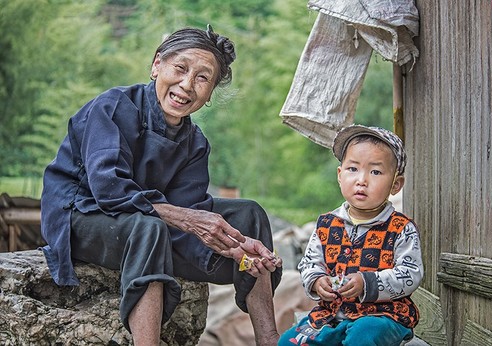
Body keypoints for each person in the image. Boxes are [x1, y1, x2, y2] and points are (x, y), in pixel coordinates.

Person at [40, 25, 282, 346]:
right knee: (150, 227)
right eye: (180, 69)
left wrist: (234, 247)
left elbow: (190, 213)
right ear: (157, 65)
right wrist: (186, 219)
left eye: (202, 78)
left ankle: (270, 339)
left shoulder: (195, 142)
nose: (186, 85)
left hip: (143, 221)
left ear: (210, 93)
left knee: (248, 216)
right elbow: (108, 189)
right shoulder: (112, 107)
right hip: (81, 215)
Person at [278, 124, 423, 345]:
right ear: (339, 175)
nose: (361, 180)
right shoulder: (326, 224)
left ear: (396, 184)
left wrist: (367, 282)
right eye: (352, 169)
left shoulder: (401, 228)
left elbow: (410, 273)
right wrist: (317, 281)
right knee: (289, 341)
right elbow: (309, 263)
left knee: (364, 334)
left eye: (375, 171)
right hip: (332, 316)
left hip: (382, 316)